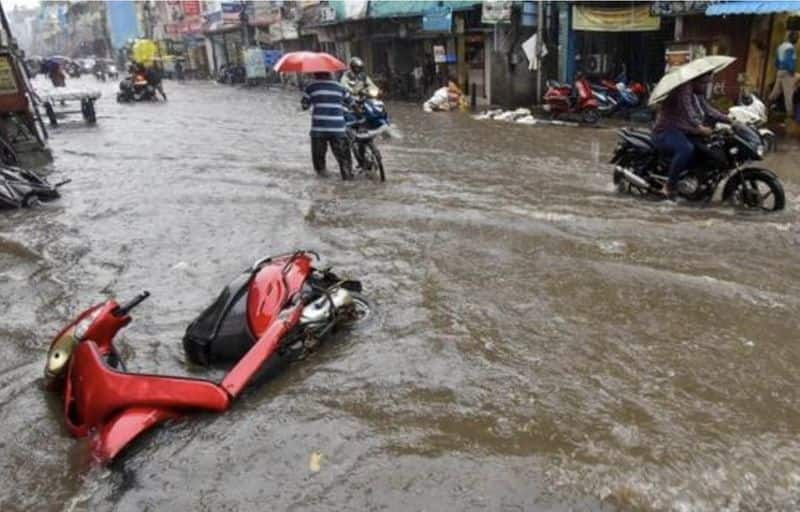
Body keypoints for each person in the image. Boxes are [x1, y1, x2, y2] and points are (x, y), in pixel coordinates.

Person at [652, 73, 723, 198]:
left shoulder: (697, 93)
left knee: (706, 148)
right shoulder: (683, 88)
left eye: (708, 83)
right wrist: (699, 127)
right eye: (705, 82)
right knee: (686, 149)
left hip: (684, 132)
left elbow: (708, 110)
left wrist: (730, 119)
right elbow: (688, 110)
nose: (706, 86)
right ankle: (668, 186)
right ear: (697, 79)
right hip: (666, 131)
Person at [302, 71, 354, 180]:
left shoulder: (311, 87)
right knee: (345, 162)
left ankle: (323, 185)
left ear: (316, 74)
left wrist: (310, 102)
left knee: (319, 164)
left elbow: (304, 105)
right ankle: (348, 182)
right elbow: (351, 103)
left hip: (318, 130)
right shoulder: (340, 87)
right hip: (338, 129)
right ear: (330, 74)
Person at [769, 31, 798, 121]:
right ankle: (791, 117)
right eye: (796, 37)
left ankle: (765, 105)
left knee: (775, 93)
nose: (797, 39)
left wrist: (779, 69)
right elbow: (788, 60)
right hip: (787, 72)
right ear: (792, 38)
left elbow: (777, 61)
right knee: (789, 94)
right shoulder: (790, 48)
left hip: (780, 71)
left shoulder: (781, 46)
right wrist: (791, 70)